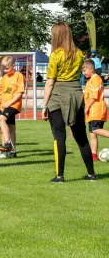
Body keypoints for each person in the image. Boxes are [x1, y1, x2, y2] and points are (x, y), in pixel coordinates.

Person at [42, 22, 95, 182]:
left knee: (59, 137)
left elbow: (50, 81)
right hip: (76, 95)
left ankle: (60, 175)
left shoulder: (56, 55)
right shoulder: (79, 54)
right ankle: (91, 174)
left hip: (57, 95)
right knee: (81, 136)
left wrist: (44, 105)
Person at [0, 56, 25, 157]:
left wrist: (9, 103)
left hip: (14, 104)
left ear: (13, 66)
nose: (5, 70)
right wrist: (2, 101)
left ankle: (7, 143)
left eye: (7, 68)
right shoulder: (4, 78)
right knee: (11, 128)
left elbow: (20, 93)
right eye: (4, 68)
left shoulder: (19, 75)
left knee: (1, 119)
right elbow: (4, 92)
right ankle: (13, 151)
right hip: (6, 105)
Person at [82, 59, 109, 161]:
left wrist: (86, 108)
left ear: (91, 69)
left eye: (85, 71)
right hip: (91, 111)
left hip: (96, 109)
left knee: (95, 129)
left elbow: (94, 97)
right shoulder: (89, 81)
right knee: (92, 134)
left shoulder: (96, 79)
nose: (83, 73)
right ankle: (93, 156)